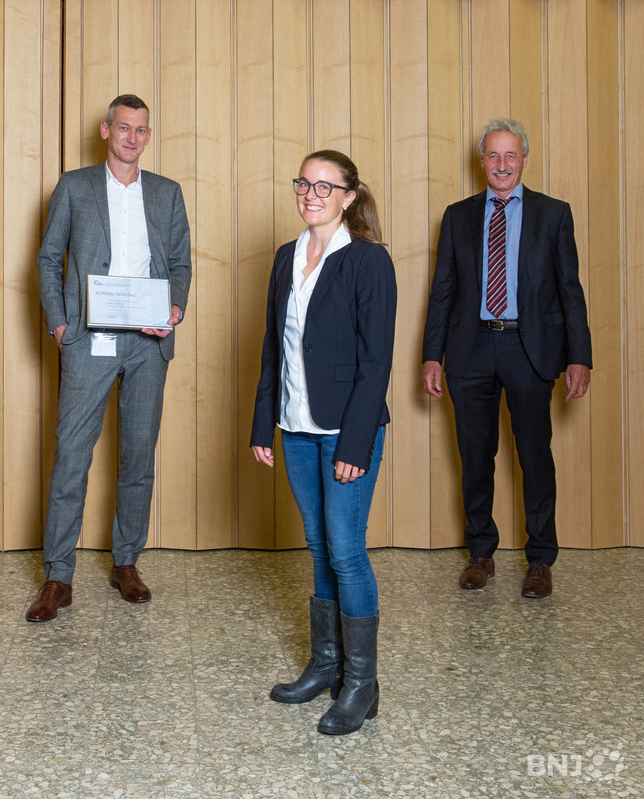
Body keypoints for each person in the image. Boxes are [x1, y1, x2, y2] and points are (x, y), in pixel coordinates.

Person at [27, 94, 191, 623]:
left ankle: (126, 563)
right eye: (124, 128)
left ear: (148, 135)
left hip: (148, 341)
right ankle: (58, 575)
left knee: (138, 456)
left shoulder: (167, 192)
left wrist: (175, 307)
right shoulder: (74, 186)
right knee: (72, 454)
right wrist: (61, 325)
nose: (132, 138)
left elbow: (181, 262)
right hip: (89, 339)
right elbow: (48, 259)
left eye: (141, 130)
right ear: (106, 130)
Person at [250, 150, 396, 736]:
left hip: (345, 431)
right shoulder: (286, 256)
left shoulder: (368, 260)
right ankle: (327, 664)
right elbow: (273, 347)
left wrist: (356, 446)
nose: (311, 194)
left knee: (346, 551)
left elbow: (377, 361)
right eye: (304, 184)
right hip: (295, 427)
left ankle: (362, 684)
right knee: (317, 547)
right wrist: (264, 423)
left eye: (324, 186)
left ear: (348, 196)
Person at [421, 118, 592, 599]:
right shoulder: (457, 216)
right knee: (475, 457)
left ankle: (540, 560)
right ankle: (481, 553)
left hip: (529, 348)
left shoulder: (553, 214)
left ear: (524, 160)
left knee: (535, 457)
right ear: (482, 162)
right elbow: (442, 291)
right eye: (493, 155)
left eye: (510, 155)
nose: (501, 164)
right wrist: (431, 355)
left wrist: (579, 356)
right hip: (470, 348)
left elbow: (570, 289)